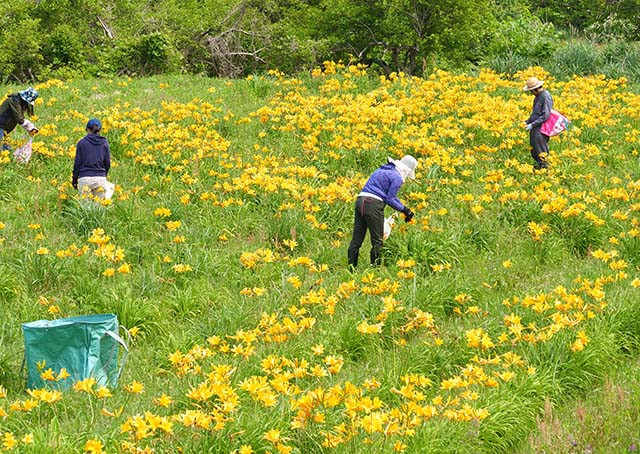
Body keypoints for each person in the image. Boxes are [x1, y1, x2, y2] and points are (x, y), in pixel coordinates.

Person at [347, 155, 417, 269]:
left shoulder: (382, 169)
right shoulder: (397, 178)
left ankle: (351, 268)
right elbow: (391, 198)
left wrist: (403, 208)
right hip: (373, 205)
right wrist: (406, 210)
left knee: (356, 239)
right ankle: (375, 269)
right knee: (377, 240)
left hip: (360, 200)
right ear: (407, 170)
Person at [72, 119, 114, 200]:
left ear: (87, 129)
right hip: (100, 179)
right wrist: (103, 175)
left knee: (85, 210)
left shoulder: (81, 143)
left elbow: (77, 163)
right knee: (99, 208)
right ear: (100, 129)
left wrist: (74, 179)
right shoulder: (105, 143)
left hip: (84, 179)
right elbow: (107, 163)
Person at [523, 77, 553, 170]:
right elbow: (535, 114)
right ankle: (539, 168)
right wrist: (527, 121)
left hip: (541, 128)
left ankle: (545, 170)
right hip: (535, 128)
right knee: (534, 149)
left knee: (541, 150)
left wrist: (533, 124)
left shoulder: (545, 96)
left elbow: (545, 115)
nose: (531, 93)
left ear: (535, 89)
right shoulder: (537, 97)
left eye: (531, 91)